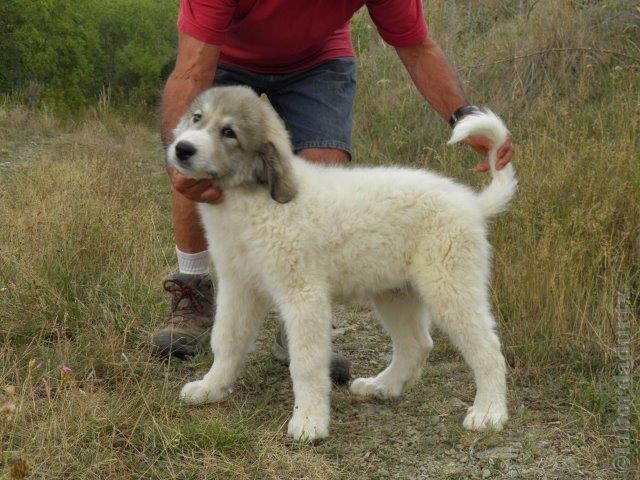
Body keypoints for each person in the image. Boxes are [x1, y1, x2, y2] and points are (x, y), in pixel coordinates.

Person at [150, 0, 515, 382]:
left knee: (324, 167)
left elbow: (418, 47)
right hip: (226, 51)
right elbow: (192, 72)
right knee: (194, 161)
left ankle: (301, 320)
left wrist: (463, 115)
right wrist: (175, 153)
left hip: (318, 58)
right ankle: (192, 290)